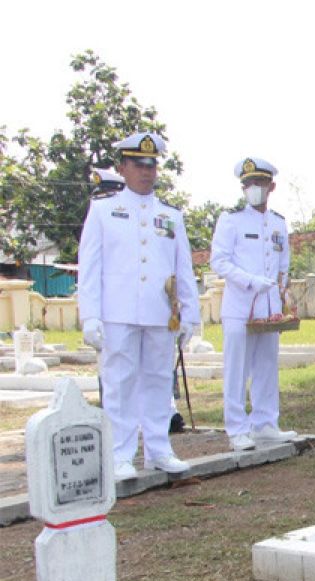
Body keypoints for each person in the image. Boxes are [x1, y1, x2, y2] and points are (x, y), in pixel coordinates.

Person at [77, 132, 199, 480]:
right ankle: (120, 454)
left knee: (160, 381)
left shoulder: (171, 216)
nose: (146, 171)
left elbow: (183, 268)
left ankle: (159, 449)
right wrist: (90, 314)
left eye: (151, 165)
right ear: (123, 167)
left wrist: (189, 314)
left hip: (160, 313)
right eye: (138, 165)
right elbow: (91, 267)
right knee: (119, 382)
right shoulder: (103, 210)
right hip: (117, 312)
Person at [210, 157, 296, 450]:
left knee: (267, 366)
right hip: (239, 306)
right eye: (248, 184)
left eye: (258, 183)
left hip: (269, 308)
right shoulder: (231, 220)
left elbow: (284, 263)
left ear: (271, 186)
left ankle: (265, 423)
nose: (252, 188)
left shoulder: (279, 223)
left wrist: (282, 294)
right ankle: (236, 428)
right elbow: (219, 261)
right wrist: (249, 280)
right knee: (238, 369)